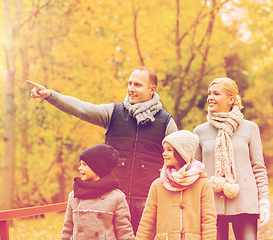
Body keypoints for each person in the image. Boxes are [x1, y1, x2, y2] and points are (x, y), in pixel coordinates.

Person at [27, 66, 178, 233]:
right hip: (112, 198)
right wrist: (51, 95)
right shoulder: (113, 113)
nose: (131, 89)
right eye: (129, 83)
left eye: (137, 85)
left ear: (152, 89)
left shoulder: (166, 122)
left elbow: (178, 160)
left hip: (148, 200)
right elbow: (82, 109)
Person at [193, 77, 270, 240]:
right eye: (209, 93)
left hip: (245, 203)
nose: (210, 98)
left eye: (216, 93)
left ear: (231, 99)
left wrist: (264, 201)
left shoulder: (250, 128)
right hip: (211, 205)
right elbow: (195, 172)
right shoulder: (199, 131)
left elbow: (259, 168)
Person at [136, 130, 217, 240]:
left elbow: (209, 222)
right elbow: (146, 223)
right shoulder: (158, 185)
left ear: (182, 154)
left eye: (169, 150)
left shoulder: (202, 184)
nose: (164, 154)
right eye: (164, 150)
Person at [61, 144, 135, 240]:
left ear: (98, 167)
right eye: (80, 164)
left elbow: (124, 231)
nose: (79, 168)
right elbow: (67, 229)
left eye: (84, 164)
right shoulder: (74, 195)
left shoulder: (116, 197)